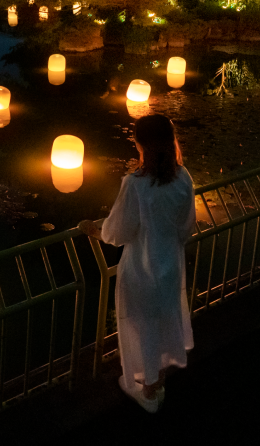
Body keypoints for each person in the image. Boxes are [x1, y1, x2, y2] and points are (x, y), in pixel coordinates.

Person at [79, 114, 196, 413]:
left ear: (139, 143)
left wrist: (96, 230)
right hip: (170, 263)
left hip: (141, 268)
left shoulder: (136, 185)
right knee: (163, 320)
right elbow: (186, 227)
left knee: (141, 326)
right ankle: (157, 382)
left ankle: (148, 392)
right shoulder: (183, 178)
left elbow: (119, 231)